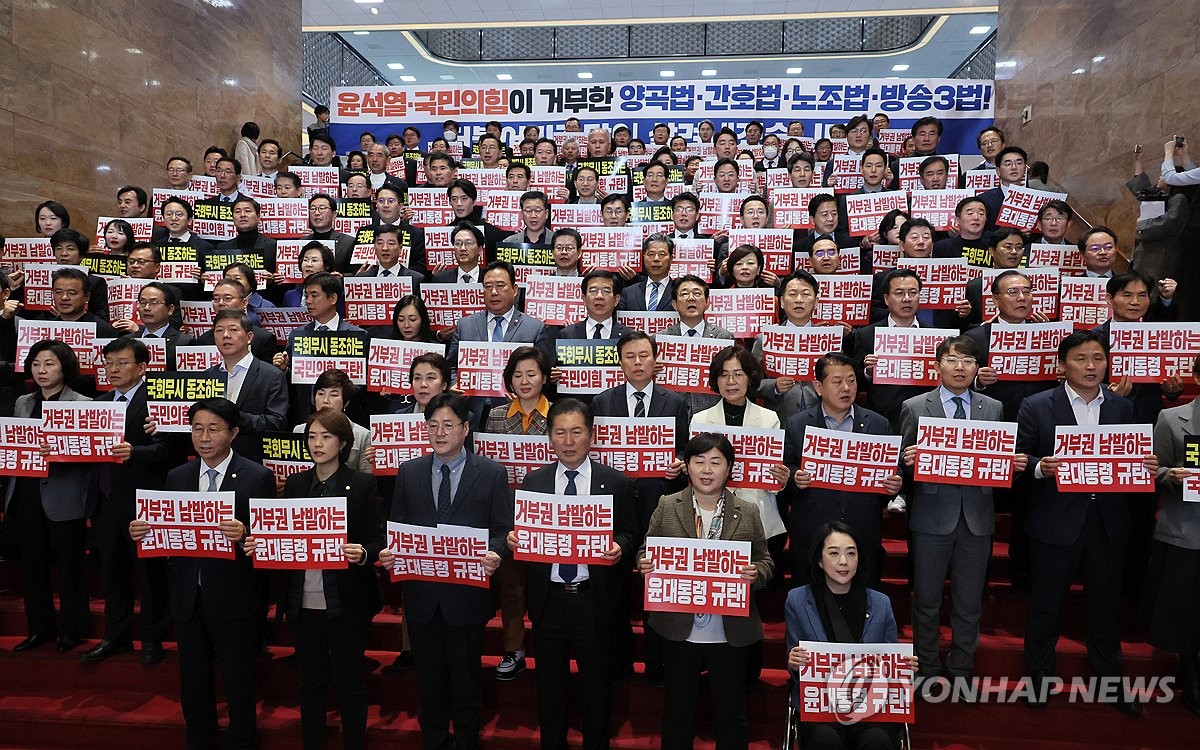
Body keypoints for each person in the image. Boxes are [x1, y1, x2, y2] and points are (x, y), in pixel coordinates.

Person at [1016, 330, 1154, 713]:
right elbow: (1019, 462)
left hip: (1108, 522)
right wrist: (1043, 467)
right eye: (1081, 358)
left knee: (1106, 606)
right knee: (1046, 605)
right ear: (1062, 366)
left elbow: (1130, 462)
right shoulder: (1036, 405)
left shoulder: (1122, 408)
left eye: (1098, 358)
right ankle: (1039, 678)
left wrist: (1145, 467)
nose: (1091, 366)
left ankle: (1111, 681)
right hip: (1055, 522)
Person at [129, 397, 275, 749]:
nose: (204, 437)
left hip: (234, 595)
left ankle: (242, 740)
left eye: (213, 429)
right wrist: (143, 531)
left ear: (234, 433)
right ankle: (200, 740)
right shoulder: (177, 476)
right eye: (197, 429)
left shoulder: (257, 476)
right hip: (187, 595)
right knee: (192, 680)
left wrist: (246, 536)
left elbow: (269, 542)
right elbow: (167, 531)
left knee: (239, 679)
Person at [378, 393, 512, 750]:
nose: (439, 432)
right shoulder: (409, 471)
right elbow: (397, 526)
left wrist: (495, 554)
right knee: (430, 681)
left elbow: (502, 530)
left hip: (467, 597)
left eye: (448, 425)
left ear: (466, 429)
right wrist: (390, 552)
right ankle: (434, 741)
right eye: (432, 425)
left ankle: (467, 741)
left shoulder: (492, 473)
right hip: (422, 596)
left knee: (466, 680)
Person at [249, 407, 382, 750]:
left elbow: (377, 539)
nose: (317, 443)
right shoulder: (296, 483)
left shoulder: (362, 484)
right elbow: (282, 534)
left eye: (326, 436)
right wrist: (259, 542)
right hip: (302, 598)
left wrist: (363, 553)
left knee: (350, 680)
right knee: (310, 682)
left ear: (343, 443)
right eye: (311, 436)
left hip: (347, 598)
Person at [510, 399, 637, 750]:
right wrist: (514, 538)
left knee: (597, 687)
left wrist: (620, 548)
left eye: (576, 432)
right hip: (548, 600)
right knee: (549, 688)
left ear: (591, 435)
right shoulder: (534, 483)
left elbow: (630, 532)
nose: (568, 441)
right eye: (560, 432)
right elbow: (521, 532)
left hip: (593, 600)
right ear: (549, 437)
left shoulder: (615, 482)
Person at [900, 335, 1023, 699]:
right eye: (952, 360)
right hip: (930, 518)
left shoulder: (993, 407)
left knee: (970, 602)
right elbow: (899, 466)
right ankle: (926, 668)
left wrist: (1011, 465)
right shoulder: (914, 406)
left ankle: (962, 669)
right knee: (926, 600)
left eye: (967, 361)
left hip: (977, 518)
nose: (959, 368)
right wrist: (909, 461)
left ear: (977, 368)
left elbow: (997, 464)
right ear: (937, 366)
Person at [637, 432, 772, 750]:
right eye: (699, 461)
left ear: (729, 469)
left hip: (730, 630)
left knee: (731, 714)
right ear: (687, 467)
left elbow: (765, 560)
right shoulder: (668, 504)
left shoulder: (748, 510)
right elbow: (646, 549)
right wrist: (644, 562)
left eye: (716, 462)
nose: (707, 470)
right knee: (678, 713)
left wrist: (757, 574)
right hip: (678, 628)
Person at [785, 522, 917, 750]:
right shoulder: (797, 600)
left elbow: (890, 657)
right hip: (822, 707)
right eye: (834, 553)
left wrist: (905, 668)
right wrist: (793, 660)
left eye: (851, 553)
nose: (843, 562)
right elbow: (793, 662)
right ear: (819, 559)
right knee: (825, 740)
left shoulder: (881, 603)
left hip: (871, 706)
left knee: (877, 741)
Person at [81, 339, 171, 665]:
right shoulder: (99, 403)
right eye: (109, 364)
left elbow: (170, 452)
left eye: (122, 363)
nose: (114, 369)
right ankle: (115, 637)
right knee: (112, 573)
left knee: (148, 575)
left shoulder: (158, 402)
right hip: (104, 501)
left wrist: (137, 452)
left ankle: (152, 639)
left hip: (142, 503)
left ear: (143, 367)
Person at [783, 352, 901, 585]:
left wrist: (896, 484)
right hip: (812, 529)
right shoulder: (797, 424)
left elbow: (893, 471)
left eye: (852, 380)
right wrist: (795, 477)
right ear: (818, 386)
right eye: (837, 382)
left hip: (862, 528)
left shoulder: (878, 424)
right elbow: (784, 470)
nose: (846, 387)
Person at [7, 341, 94, 654]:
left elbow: (93, 456)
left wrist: (62, 452)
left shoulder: (83, 403)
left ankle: (73, 629)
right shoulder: (22, 403)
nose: (41, 371)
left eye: (49, 364)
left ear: (65, 368)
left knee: (70, 568)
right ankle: (39, 629)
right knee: (32, 567)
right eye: (36, 365)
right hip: (27, 492)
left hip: (65, 494)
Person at [483, 346, 554, 679]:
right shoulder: (496, 415)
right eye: (518, 374)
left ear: (544, 377)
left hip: (548, 517)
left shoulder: (559, 415)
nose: (525, 381)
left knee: (543, 588)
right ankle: (513, 650)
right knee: (510, 588)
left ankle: (548, 647)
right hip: (507, 517)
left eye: (532, 373)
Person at [1145, 353, 1200, 715]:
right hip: (1187, 528)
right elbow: (1155, 469)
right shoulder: (1171, 417)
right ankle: (1191, 669)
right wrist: (1171, 476)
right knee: (1187, 607)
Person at [202, 309, 289, 461]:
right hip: (212, 459)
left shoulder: (271, 375)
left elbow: (276, 422)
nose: (225, 335)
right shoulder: (208, 376)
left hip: (252, 460)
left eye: (233, 330)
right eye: (219, 330)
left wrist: (232, 416)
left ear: (249, 337)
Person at [659, 274, 735, 415]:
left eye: (697, 294)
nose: (691, 298)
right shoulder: (661, 339)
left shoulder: (723, 337)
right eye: (685, 294)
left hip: (712, 413)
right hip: (671, 413)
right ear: (674, 304)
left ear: (707, 302)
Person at [291, 369, 373, 475]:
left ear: (346, 402)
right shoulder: (299, 430)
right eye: (320, 393)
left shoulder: (362, 435)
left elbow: (366, 479)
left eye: (333, 395)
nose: (325, 400)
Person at [619, 233, 676, 312]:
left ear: (671, 258)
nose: (656, 259)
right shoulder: (628, 293)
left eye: (662, 254)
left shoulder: (679, 291)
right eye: (651, 254)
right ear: (644, 257)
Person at [281, 241, 337, 308]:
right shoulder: (290, 295)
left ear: (326, 265)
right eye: (305, 260)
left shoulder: (335, 295)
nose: (309, 264)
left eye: (314, 260)